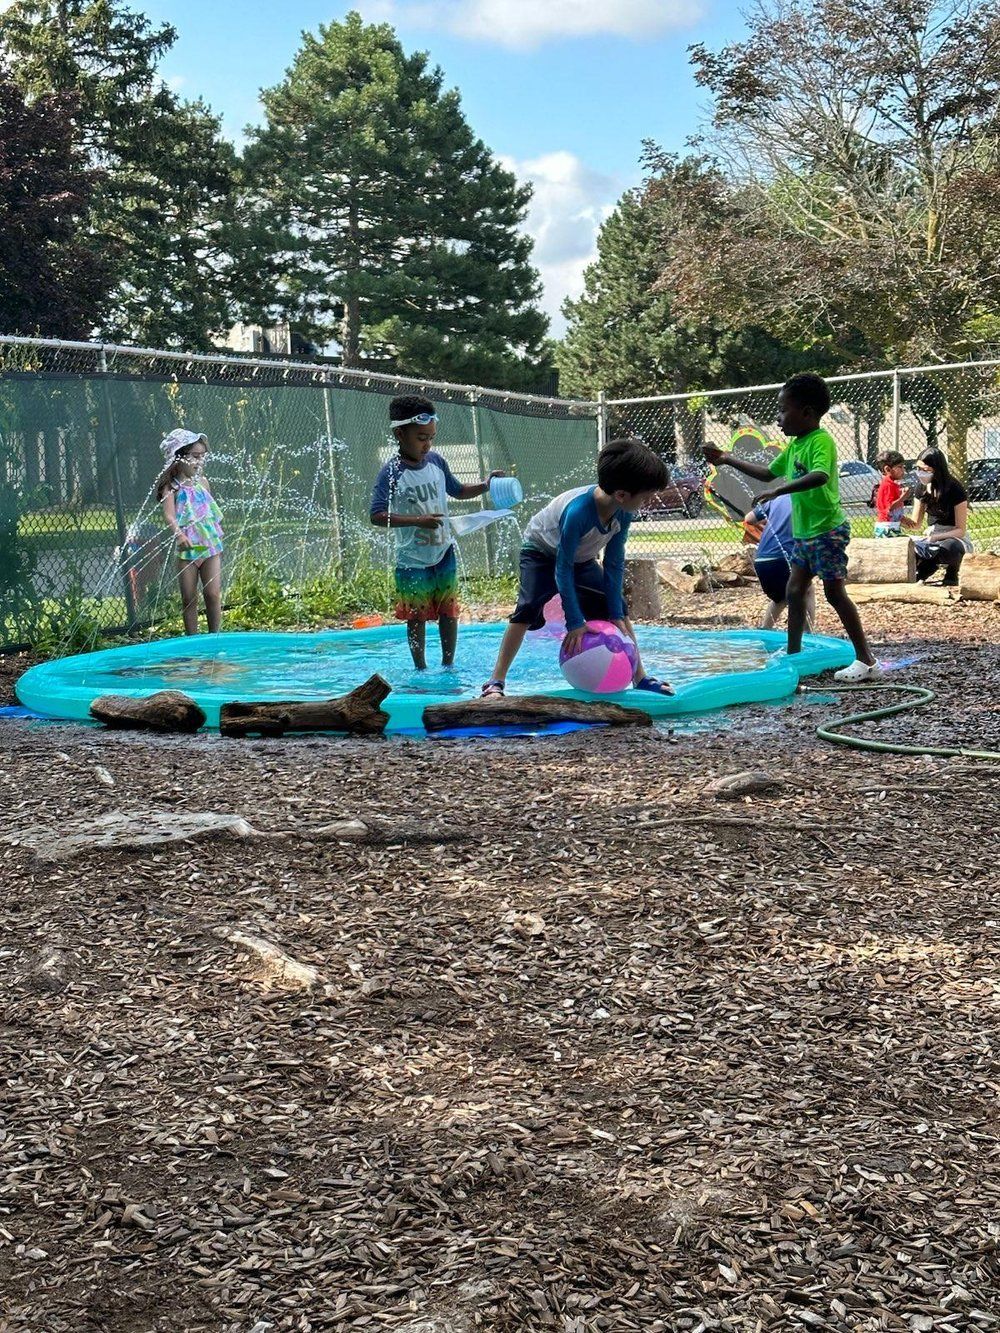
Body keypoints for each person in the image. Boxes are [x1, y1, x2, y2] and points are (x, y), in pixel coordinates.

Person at [703, 372, 880, 682]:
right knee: (794, 590)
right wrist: (727, 459)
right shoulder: (796, 445)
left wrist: (779, 492)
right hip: (805, 533)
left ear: (807, 412)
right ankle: (793, 656)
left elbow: (821, 476)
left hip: (826, 530)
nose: (779, 418)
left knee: (835, 594)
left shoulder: (820, 441)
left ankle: (866, 660)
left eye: (784, 410)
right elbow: (766, 473)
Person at [481, 437, 674, 698]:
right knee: (526, 609)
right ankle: (496, 681)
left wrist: (615, 613)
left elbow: (614, 562)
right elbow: (562, 569)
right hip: (540, 552)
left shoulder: (623, 512)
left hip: (581, 560)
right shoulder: (578, 513)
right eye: (646, 496)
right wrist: (575, 622)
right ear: (621, 495)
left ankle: (639, 677)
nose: (648, 502)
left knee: (617, 606)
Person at [370, 394, 502, 670]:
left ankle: (448, 665)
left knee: (449, 612)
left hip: (443, 551)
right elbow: (377, 516)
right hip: (412, 559)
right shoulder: (391, 473)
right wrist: (418, 520)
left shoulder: (437, 462)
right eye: (421, 437)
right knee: (416, 617)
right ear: (399, 433)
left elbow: (459, 491)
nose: (427, 444)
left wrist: (486, 485)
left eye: (431, 437)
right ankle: (420, 668)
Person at [157, 428, 223, 635]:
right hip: (188, 550)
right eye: (195, 456)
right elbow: (169, 516)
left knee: (212, 594)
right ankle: (192, 640)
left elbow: (209, 511)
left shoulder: (203, 483)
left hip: (210, 547)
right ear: (179, 457)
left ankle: (215, 637)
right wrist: (180, 534)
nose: (199, 461)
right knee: (189, 598)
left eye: (202, 457)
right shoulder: (171, 488)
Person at [745, 492, 816, 631]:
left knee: (780, 597)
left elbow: (749, 518)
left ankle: (765, 630)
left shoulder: (775, 500)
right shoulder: (807, 498)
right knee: (807, 590)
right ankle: (808, 634)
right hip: (784, 557)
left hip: (761, 560)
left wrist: (767, 521)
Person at [902, 447, 972, 587]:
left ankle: (951, 572)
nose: (920, 473)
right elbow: (916, 524)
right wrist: (897, 518)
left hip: (953, 535)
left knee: (950, 547)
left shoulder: (955, 489)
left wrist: (936, 537)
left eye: (925, 470)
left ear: (937, 469)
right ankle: (922, 571)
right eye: (918, 468)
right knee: (910, 546)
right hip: (931, 535)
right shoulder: (921, 488)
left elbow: (960, 530)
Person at [873, 449, 911, 537]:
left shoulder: (892, 484)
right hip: (886, 527)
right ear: (888, 469)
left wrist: (902, 518)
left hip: (892, 525)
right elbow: (890, 507)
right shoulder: (887, 485)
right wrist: (903, 498)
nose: (903, 470)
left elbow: (894, 511)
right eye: (900, 467)